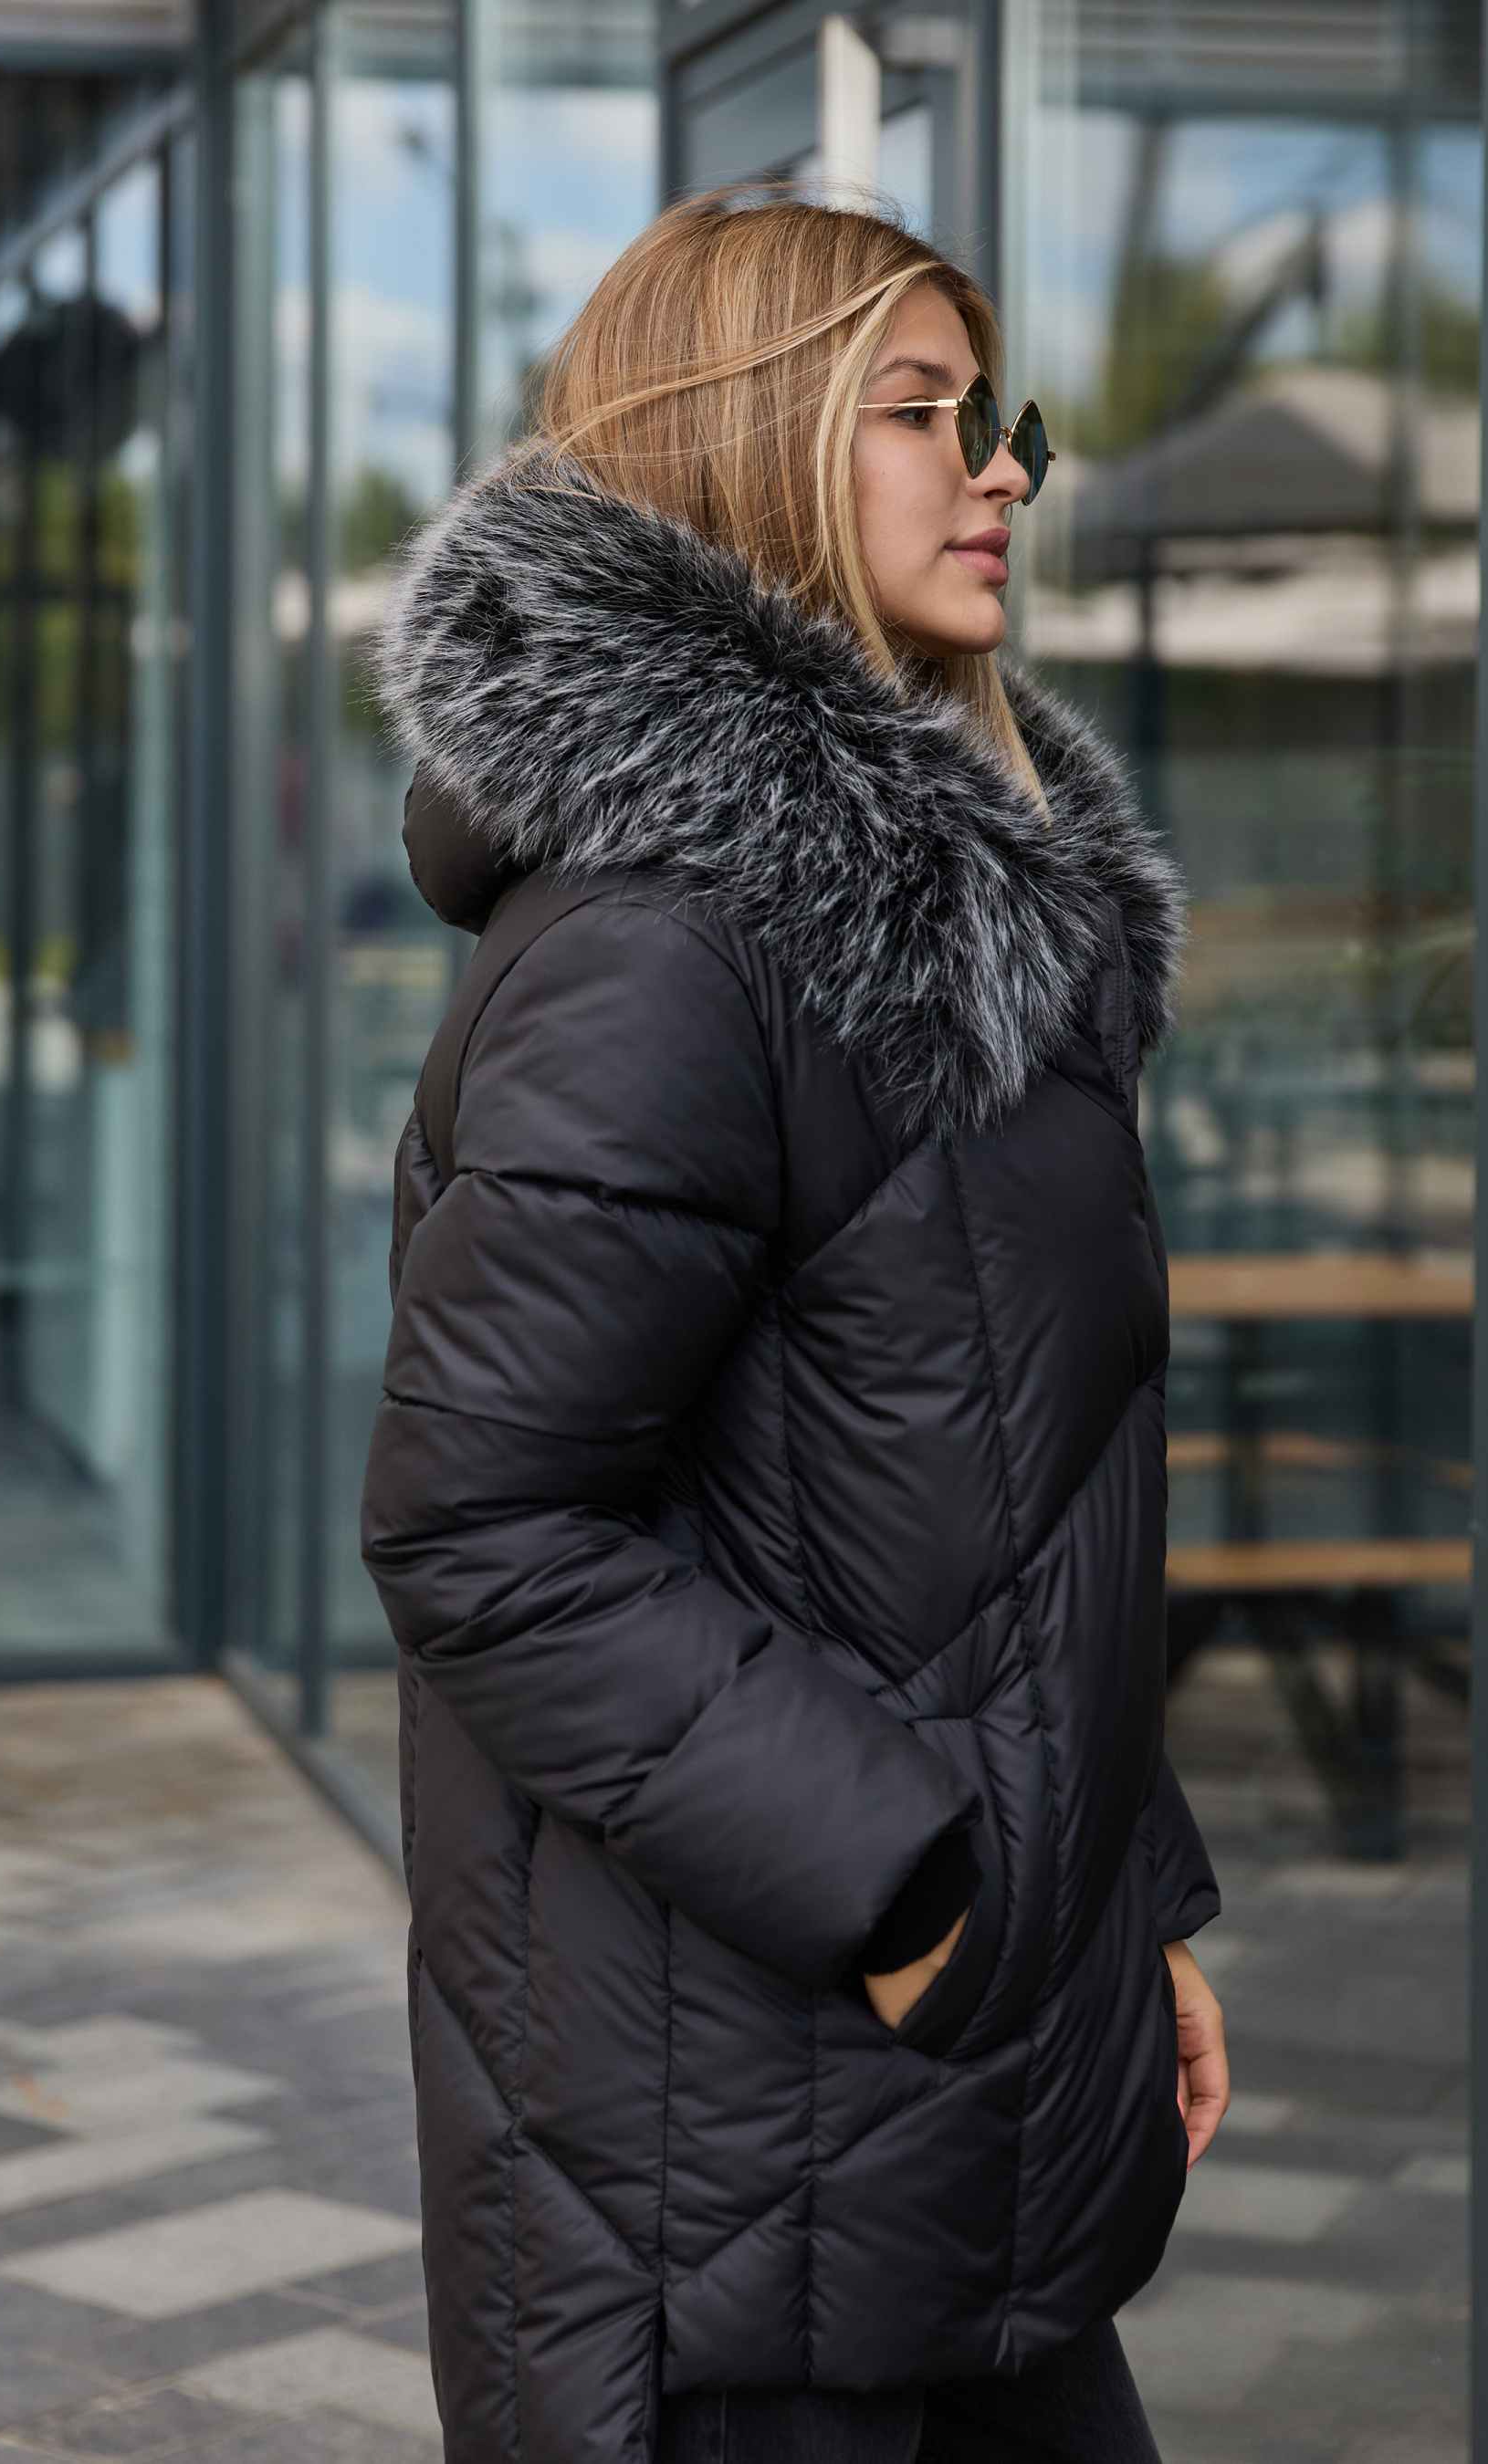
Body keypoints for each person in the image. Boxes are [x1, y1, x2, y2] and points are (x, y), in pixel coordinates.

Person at [362, 193, 1227, 2464]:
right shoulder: (663, 950)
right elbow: (481, 1529)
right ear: (744, 448)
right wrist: (913, 1890)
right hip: (728, 2161)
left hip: (946, 2105)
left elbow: (1010, 1514)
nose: (1001, 467)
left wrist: (1122, 1907)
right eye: (921, 414)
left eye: (998, 412)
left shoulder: (955, 944)